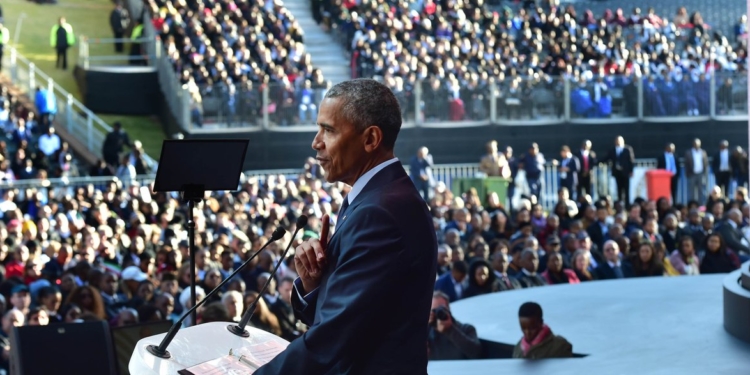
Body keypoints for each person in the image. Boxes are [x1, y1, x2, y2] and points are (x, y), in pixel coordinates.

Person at [256, 79, 437, 374]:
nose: (316, 142)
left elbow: (332, 338)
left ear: (370, 139)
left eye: (328, 130)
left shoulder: (380, 213)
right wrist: (315, 283)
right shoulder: (377, 197)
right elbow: (358, 314)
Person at [427, 291, 481, 360]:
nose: (438, 314)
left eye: (441, 310)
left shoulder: (466, 329)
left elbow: (476, 353)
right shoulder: (426, 333)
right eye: (433, 311)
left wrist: (450, 330)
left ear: (448, 309)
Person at [602, 136, 634, 203]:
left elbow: (631, 160)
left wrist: (631, 171)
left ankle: (627, 205)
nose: (618, 142)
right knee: (619, 189)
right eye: (616, 141)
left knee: (626, 189)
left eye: (619, 141)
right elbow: (607, 158)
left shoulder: (627, 149)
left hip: (625, 172)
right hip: (617, 173)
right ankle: (620, 204)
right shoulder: (612, 150)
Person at [684, 138, 709, 203]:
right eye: (695, 144)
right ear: (693, 144)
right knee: (691, 191)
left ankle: (701, 205)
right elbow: (686, 164)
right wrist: (688, 174)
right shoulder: (688, 152)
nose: (696, 145)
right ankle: (692, 205)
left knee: (702, 191)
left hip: (701, 174)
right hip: (692, 174)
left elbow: (706, 164)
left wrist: (705, 174)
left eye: (698, 144)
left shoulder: (703, 152)